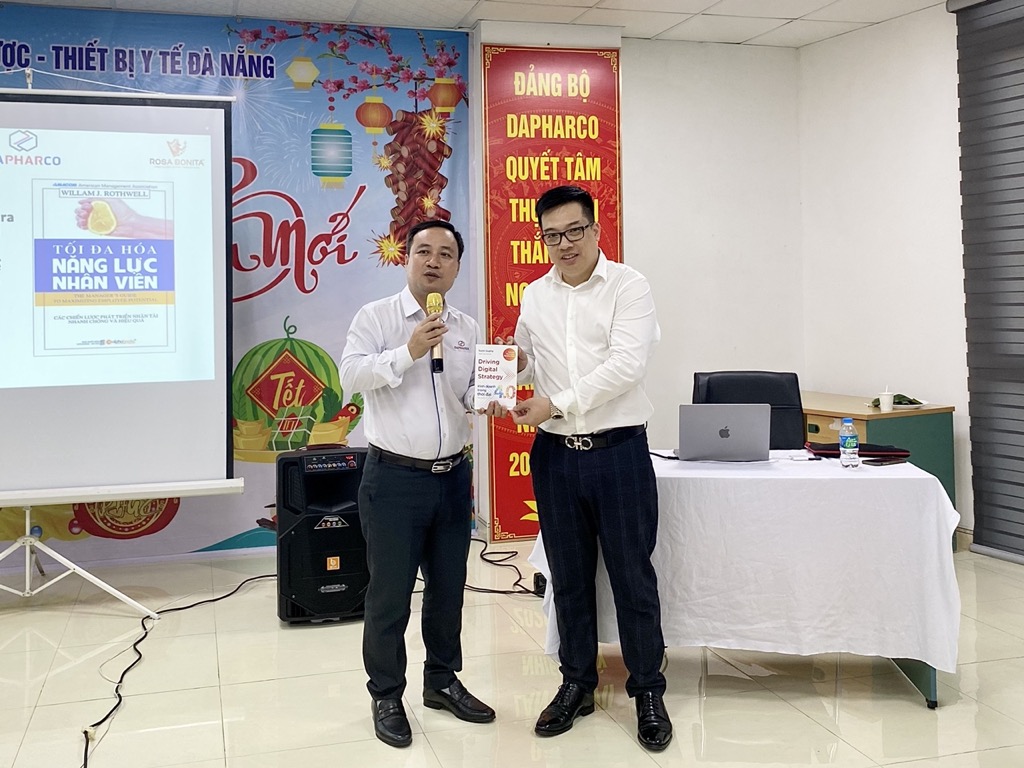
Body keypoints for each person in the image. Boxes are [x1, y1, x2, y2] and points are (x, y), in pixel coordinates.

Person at [508, 185, 672, 752]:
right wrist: (507, 366)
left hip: (619, 452)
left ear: (596, 230)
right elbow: (527, 359)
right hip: (555, 456)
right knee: (568, 577)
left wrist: (556, 403)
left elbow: (627, 365)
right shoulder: (535, 295)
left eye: (574, 230)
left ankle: (647, 690)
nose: (565, 243)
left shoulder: (629, 286)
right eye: (552, 235)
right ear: (542, 239)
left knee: (632, 576)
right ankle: (576, 684)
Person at [339, 219, 495, 749]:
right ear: (406, 259)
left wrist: (491, 395)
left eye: (445, 254)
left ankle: (442, 681)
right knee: (389, 595)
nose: (434, 261)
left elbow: (466, 394)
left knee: (448, 591)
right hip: (394, 481)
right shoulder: (376, 317)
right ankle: (387, 694)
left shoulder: (466, 328)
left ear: (457, 266)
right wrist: (408, 350)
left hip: (452, 479)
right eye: (423, 251)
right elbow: (350, 376)